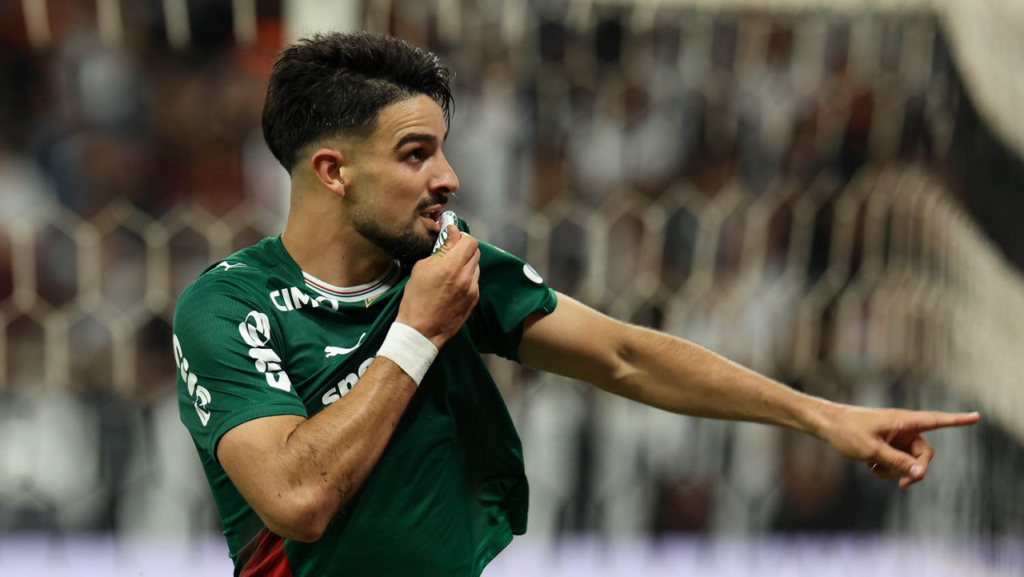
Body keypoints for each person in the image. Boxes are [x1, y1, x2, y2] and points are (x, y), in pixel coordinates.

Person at [172, 31, 980, 576]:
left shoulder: (453, 269)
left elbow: (626, 354)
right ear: (332, 171)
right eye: (415, 154)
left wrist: (819, 415)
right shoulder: (229, 307)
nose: (448, 177)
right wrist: (416, 334)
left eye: (444, 150)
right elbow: (298, 500)